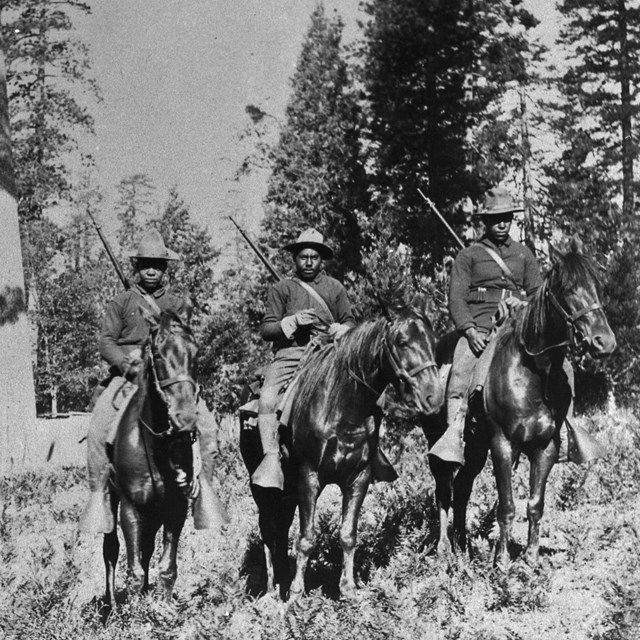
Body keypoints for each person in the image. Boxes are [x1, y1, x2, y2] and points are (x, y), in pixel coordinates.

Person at [80, 229, 223, 533]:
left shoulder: (176, 303)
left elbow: (184, 339)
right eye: (146, 263)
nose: (151, 269)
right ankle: (99, 495)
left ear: (165, 268)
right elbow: (106, 342)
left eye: (157, 264)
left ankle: (204, 489)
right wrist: (124, 360)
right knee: (97, 427)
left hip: (167, 376)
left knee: (208, 426)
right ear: (137, 266)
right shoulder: (120, 302)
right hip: (129, 376)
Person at [429, 187, 542, 465]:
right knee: (461, 371)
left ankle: (566, 431)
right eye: (496, 219)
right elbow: (456, 300)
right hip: (480, 327)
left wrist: (522, 304)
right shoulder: (468, 256)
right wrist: (468, 331)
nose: (502, 224)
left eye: (507, 218)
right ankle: (454, 433)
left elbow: (538, 295)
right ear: (485, 222)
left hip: (519, 328)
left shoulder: (524, 255)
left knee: (560, 366)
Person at [253, 228, 355, 490]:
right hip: (291, 354)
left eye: (314, 257)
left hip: (328, 353)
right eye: (303, 257)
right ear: (294, 259)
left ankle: (370, 454)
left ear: (322, 259)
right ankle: (271, 458)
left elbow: (349, 321)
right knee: (266, 398)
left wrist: (342, 330)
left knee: (365, 391)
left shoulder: (335, 288)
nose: (308, 262)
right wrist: (292, 321)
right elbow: (267, 329)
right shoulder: (282, 289)